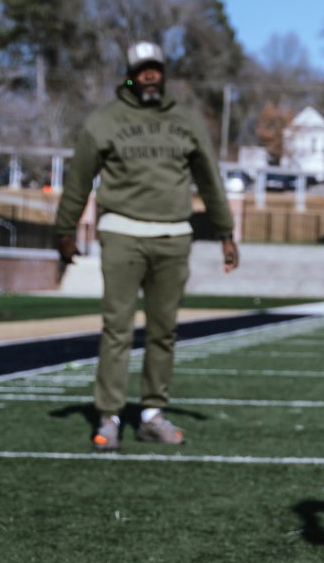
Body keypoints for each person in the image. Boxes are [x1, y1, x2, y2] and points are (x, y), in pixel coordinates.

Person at [54, 41, 239, 451]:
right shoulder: (104, 121)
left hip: (173, 236)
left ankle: (152, 413)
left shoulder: (185, 121)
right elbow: (79, 179)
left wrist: (226, 231)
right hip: (122, 233)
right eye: (142, 70)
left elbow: (209, 178)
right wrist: (64, 231)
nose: (150, 76)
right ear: (130, 75)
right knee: (117, 328)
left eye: (156, 69)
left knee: (164, 331)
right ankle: (110, 415)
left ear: (164, 74)